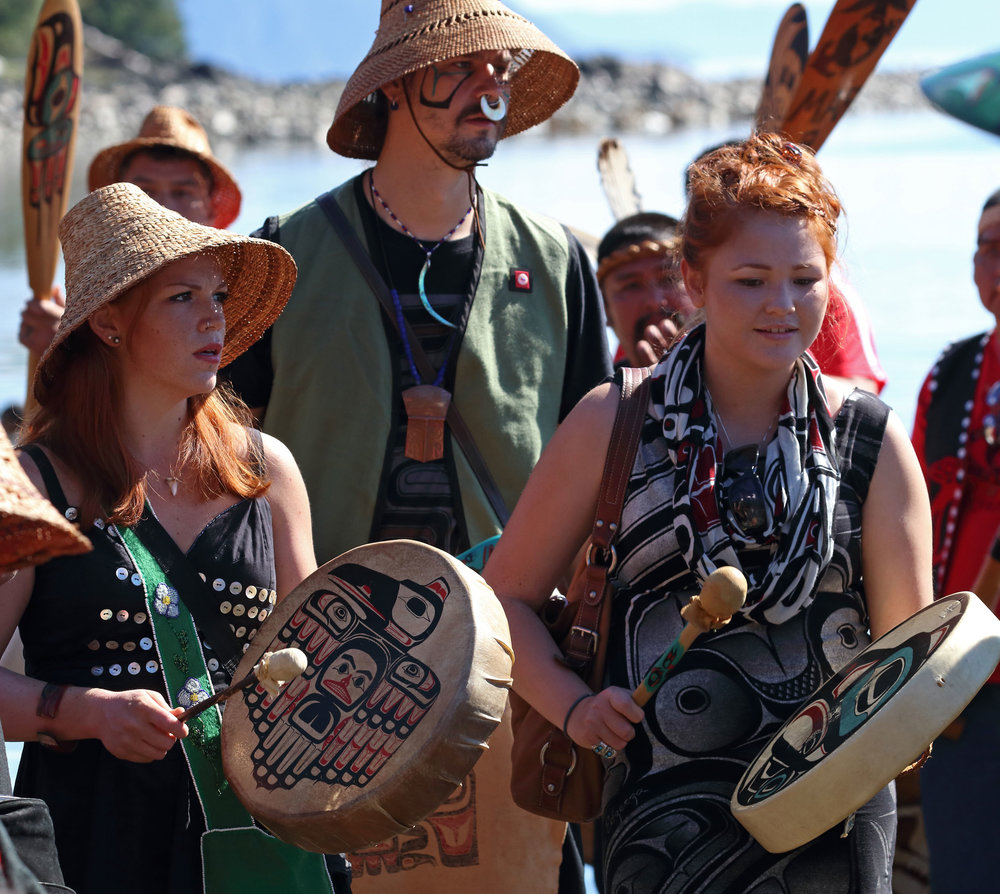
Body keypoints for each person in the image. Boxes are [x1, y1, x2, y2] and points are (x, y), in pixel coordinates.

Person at [484, 133, 932, 892]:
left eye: (805, 278)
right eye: (752, 280)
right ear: (692, 277)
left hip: (838, 822)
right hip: (663, 815)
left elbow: (909, 666)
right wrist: (575, 709)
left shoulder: (871, 441)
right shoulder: (614, 421)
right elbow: (503, 600)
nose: (782, 306)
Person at [225, 4, 609, 891]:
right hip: (337, 674)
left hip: (520, 660)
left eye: (500, 68)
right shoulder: (285, 257)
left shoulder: (552, 261)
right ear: (398, 84)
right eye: (462, 67)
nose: (491, 89)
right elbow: (223, 468)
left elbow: (602, 474)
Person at [0, 183, 351, 894]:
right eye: (181, 298)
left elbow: (316, 650)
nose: (213, 319)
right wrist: (88, 713)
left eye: (217, 297)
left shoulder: (267, 470)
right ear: (108, 322)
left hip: (262, 841)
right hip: (93, 844)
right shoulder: (33, 484)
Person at [912, 186, 1000, 892]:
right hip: (961, 687)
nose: (998, 264)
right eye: (988, 247)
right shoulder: (950, 373)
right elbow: (907, 519)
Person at [18, 106, 242, 358]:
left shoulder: (243, 299)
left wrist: (72, 351)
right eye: (144, 192)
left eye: (182, 192)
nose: (162, 207)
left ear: (211, 208)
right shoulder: (94, 291)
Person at [595, 212, 696, 367]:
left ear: (700, 286)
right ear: (604, 308)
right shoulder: (595, 390)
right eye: (632, 285)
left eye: (668, 279)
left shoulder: (744, 376)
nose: (655, 302)